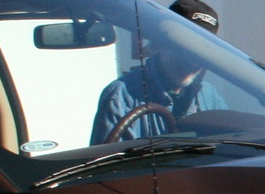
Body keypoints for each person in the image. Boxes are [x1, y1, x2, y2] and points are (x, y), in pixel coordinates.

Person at [91, 27, 226, 144]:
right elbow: (105, 167)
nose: (192, 63)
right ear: (159, 43)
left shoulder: (209, 94)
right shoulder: (122, 95)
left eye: (201, 53)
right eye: (184, 50)